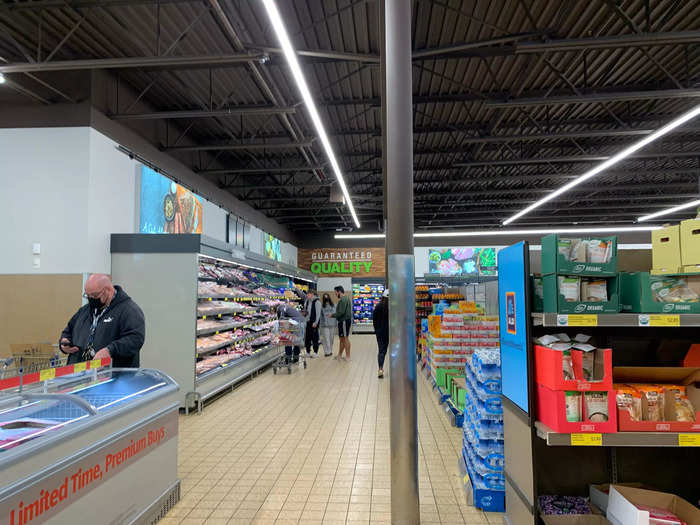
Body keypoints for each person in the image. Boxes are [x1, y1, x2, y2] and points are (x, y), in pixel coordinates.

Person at [60, 274, 145, 367]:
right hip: (82, 375)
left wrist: (110, 350)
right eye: (87, 295)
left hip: (113, 375)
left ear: (108, 290)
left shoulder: (128, 310)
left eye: (94, 295)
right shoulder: (84, 311)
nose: (91, 299)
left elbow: (135, 339)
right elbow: (68, 330)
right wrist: (64, 343)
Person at [331, 285, 352, 361]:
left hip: (344, 321)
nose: (335, 294)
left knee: (345, 338)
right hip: (343, 321)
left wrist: (332, 315)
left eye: (335, 293)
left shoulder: (343, 299)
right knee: (342, 339)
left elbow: (341, 312)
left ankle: (348, 356)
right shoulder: (344, 299)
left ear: (339, 292)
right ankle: (339, 355)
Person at [373, 290, 389, 378]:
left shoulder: (378, 306)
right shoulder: (392, 307)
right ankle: (396, 370)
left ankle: (380, 369)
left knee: (381, 351)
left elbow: (374, 320)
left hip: (380, 332)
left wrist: (377, 331)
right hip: (391, 332)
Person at [303, 290, 321, 357]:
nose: (307, 295)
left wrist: (316, 322)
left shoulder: (317, 302)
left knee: (314, 338)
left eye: (308, 294)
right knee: (307, 338)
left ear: (312, 294)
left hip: (314, 323)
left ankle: (315, 352)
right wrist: (304, 313)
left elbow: (318, 314)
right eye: (307, 294)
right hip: (307, 322)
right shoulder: (307, 302)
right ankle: (308, 352)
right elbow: (305, 311)